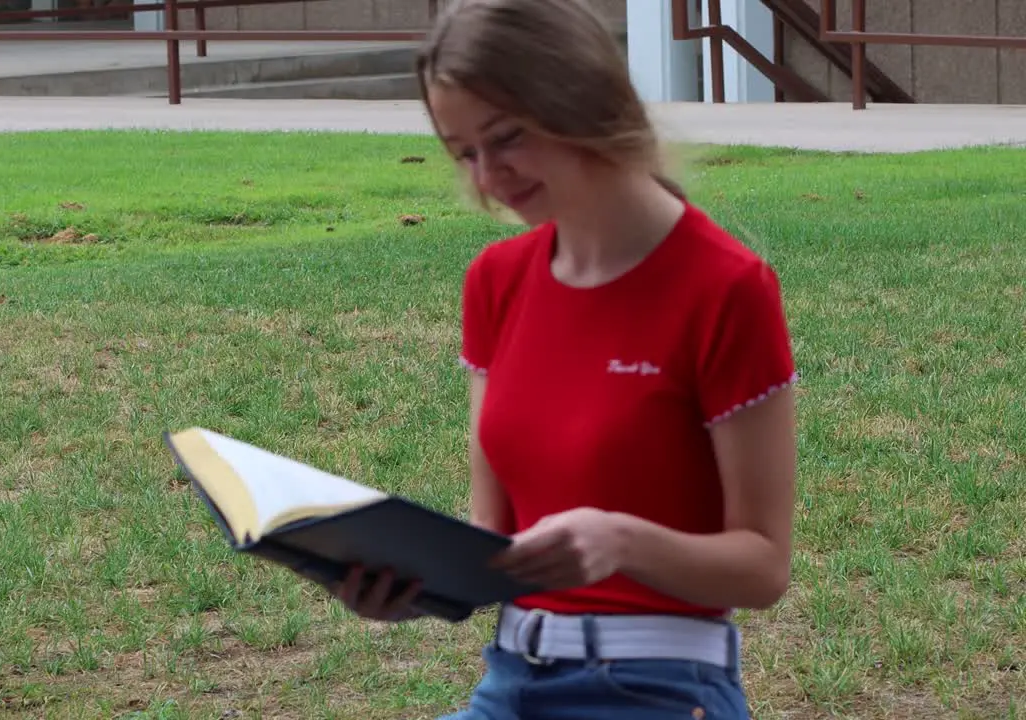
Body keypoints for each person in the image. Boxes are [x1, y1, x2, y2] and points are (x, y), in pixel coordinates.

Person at [331, 0, 800, 717]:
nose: (488, 176)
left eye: (506, 137)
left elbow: (763, 568)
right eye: (464, 153)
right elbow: (492, 544)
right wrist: (409, 587)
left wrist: (622, 542)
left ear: (582, 99)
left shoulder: (726, 287)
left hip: (661, 686)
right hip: (510, 682)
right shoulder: (496, 281)